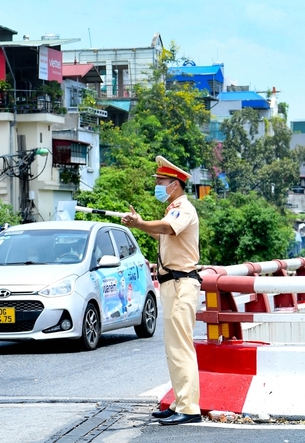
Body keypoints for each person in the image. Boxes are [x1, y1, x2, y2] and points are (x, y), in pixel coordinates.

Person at [121, 155, 202, 426]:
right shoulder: (173, 209)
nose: (157, 185)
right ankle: (180, 402)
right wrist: (141, 223)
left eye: (161, 181)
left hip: (181, 284)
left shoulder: (183, 209)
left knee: (181, 347)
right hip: (171, 284)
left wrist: (141, 224)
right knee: (173, 347)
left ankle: (189, 408)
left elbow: (167, 228)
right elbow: (163, 233)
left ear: (175, 184)